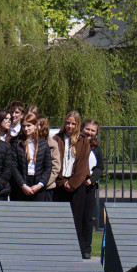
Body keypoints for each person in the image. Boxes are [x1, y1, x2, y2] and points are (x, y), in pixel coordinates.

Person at [52, 110, 92, 257]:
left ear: (77, 125)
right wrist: (62, 181)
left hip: (77, 185)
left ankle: (79, 249)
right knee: (61, 217)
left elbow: (82, 166)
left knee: (77, 218)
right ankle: (61, 248)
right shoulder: (57, 139)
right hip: (61, 183)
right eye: (68, 123)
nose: (70, 126)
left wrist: (73, 183)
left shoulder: (83, 141)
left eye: (73, 123)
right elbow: (55, 162)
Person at [10, 112, 52, 201]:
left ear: (36, 125)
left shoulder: (43, 144)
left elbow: (48, 167)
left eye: (29, 125)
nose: (26, 129)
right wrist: (22, 185)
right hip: (21, 185)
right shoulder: (16, 143)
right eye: (24, 126)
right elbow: (13, 166)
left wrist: (40, 184)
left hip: (37, 184)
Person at [81, 118, 104, 259]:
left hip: (89, 186)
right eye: (87, 129)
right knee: (76, 217)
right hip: (76, 185)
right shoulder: (76, 143)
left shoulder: (96, 148)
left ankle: (86, 248)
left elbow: (100, 167)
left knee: (88, 218)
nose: (89, 132)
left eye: (92, 130)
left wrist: (92, 179)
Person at [40, 115, 60, 199]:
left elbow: (56, 167)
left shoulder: (53, 144)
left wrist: (42, 183)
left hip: (47, 186)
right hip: (31, 186)